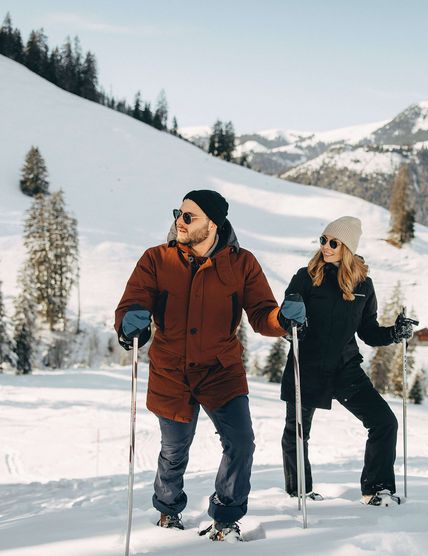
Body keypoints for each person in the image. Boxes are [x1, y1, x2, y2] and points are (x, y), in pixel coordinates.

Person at [114, 190, 304, 542]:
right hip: (171, 371)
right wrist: (130, 322)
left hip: (221, 370)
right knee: (173, 452)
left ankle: (227, 516)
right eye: (178, 214)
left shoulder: (241, 263)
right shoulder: (156, 259)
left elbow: (263, 314)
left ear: (212, 224)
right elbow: (133, 302)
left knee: (241, 442)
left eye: (189, 217)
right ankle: (168, 509)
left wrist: (284, 319)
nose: (179, 222)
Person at [280, 216, 415, 506]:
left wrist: (395, 332)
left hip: (345, 369)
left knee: (384, 422)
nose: (325, 247)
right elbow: (286, 322)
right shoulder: (305, 277)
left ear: (348, 248)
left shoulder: (363, 285)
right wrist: (291, 321)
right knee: (297, 432)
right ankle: (299, 491)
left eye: (333, 243)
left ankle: (377, 490)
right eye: (323, 241)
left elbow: (368, 331)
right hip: (307, 366)